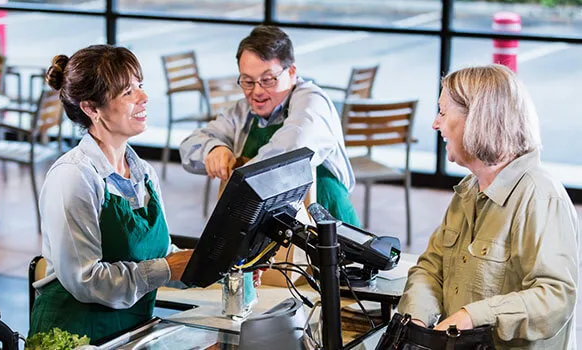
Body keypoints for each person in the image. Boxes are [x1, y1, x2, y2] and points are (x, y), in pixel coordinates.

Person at [398, 64, 578, 348]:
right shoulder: (469, 189)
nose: (435, 124)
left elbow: (556, 297)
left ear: (478, 120)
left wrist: (473, 317)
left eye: (443, 113)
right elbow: (431, 268)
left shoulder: (539, 196)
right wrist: (417, 318)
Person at [28, 45, 193, 343]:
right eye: (128, 92)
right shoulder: (74, 177)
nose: (143, 97)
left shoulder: (143, 173)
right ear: (91, 108)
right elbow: (87, 280)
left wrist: (213, 267)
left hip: (131, 333)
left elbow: (159, 255)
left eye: (140, 86)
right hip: (75, 336)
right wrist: (167, 269)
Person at [179, 25, 360, 226]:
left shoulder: (312, 101)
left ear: (291, 72)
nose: (257, 91)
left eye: (267, 80)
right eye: (247, 81)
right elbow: (188, 146)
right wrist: (213, 149)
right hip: (273, 226)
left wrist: (239, 182)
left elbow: (288, 154)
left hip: (329, 223)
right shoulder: (242, 112)